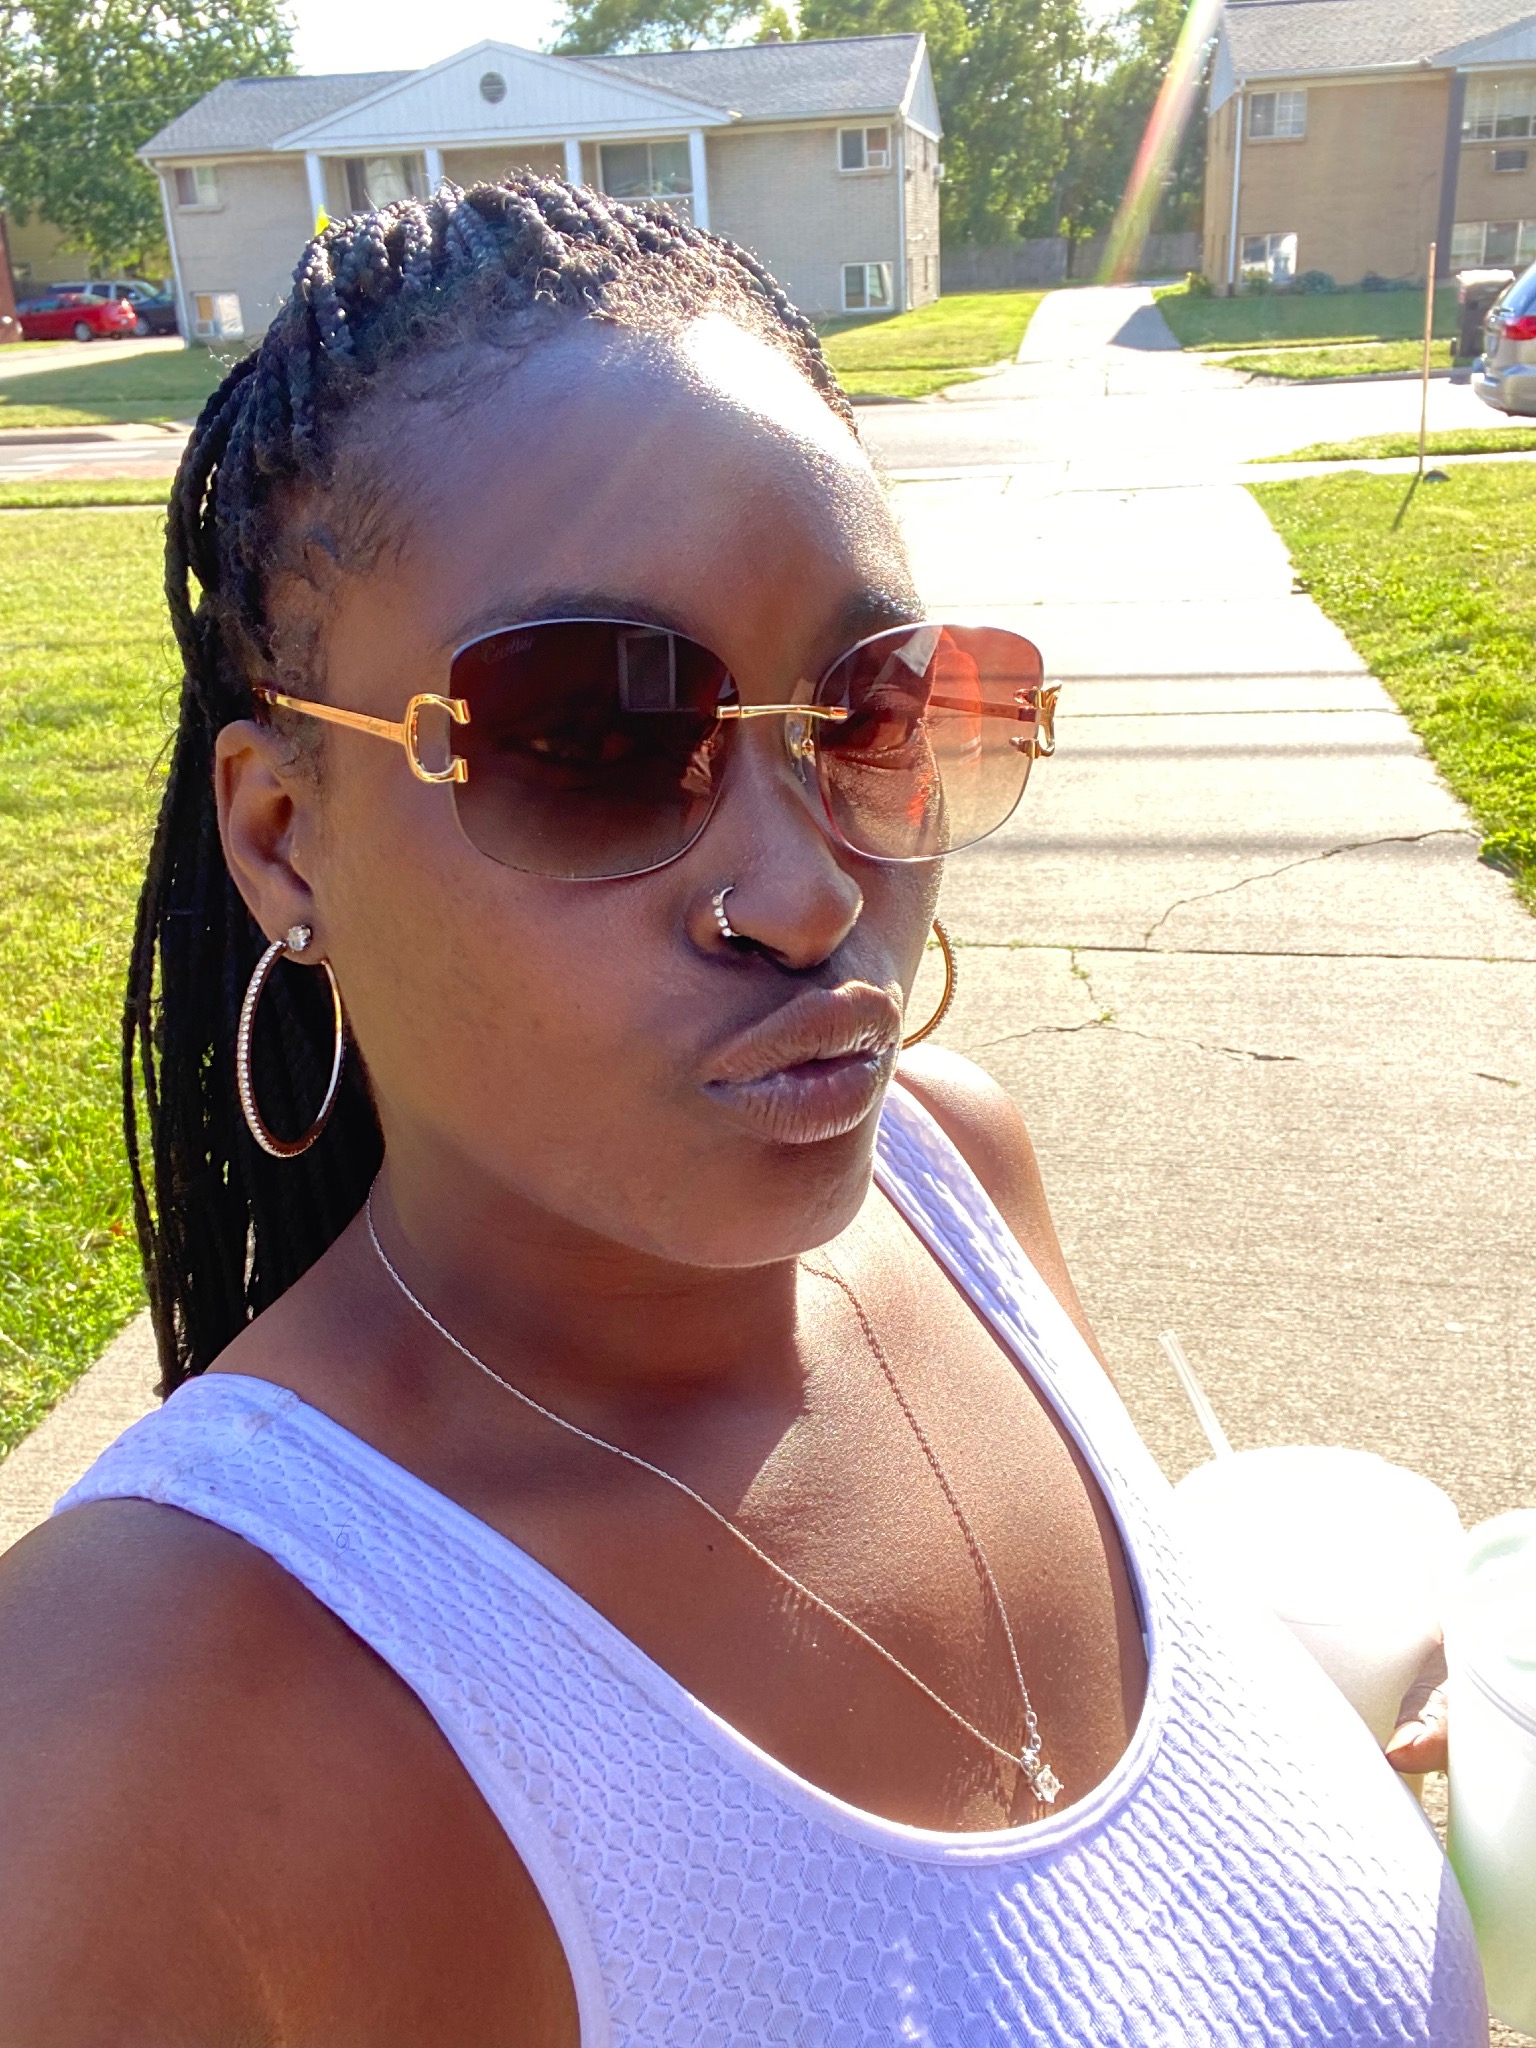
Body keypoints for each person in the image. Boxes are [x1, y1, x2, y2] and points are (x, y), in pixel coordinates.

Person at [0, 178, 1480, 2042]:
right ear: (287, 837)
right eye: (594, 737)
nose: (806, 890)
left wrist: (1315, 1740)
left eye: (871, 714)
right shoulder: (124, 1732)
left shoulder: (955, 1173)